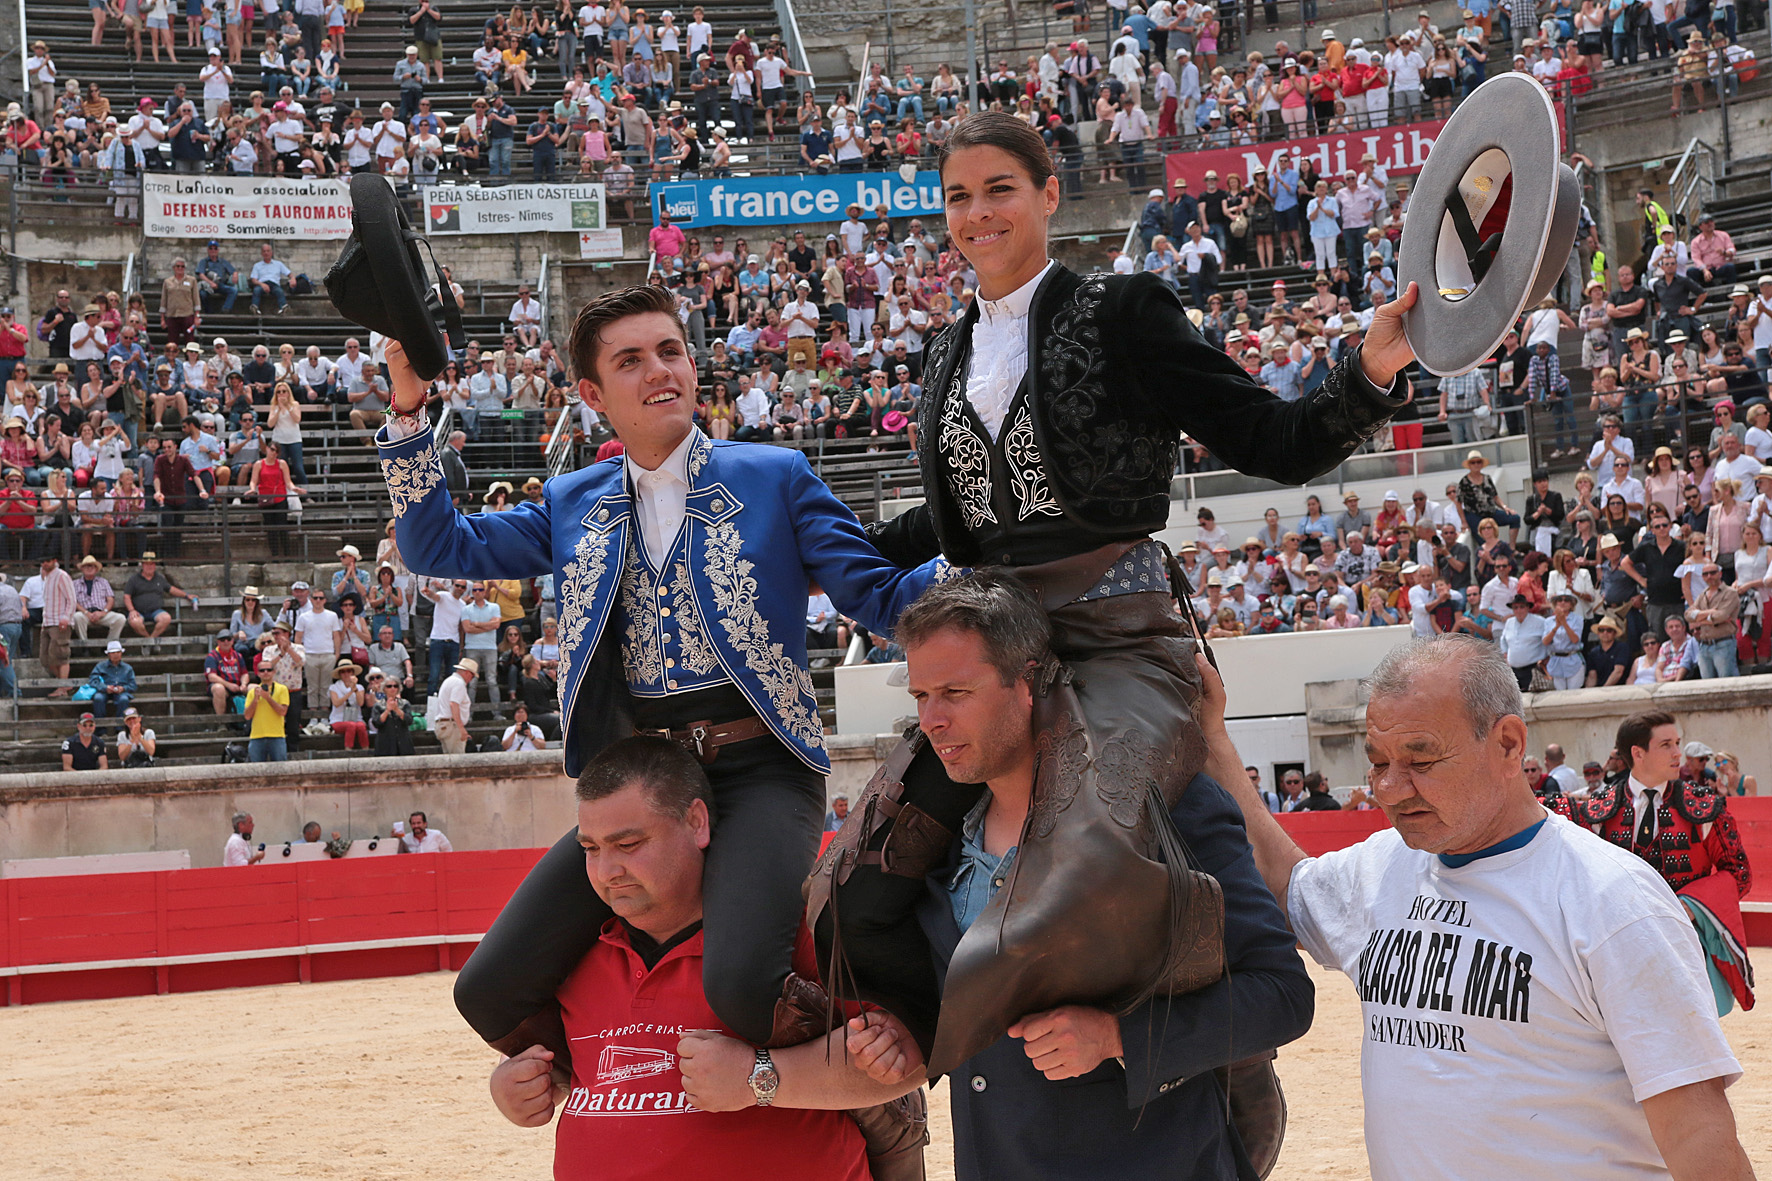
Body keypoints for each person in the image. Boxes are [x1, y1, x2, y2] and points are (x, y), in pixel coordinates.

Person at [821, 115, 1419, 1064]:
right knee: (856, 888)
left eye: (999, 189)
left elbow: (1269, 439)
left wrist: (1367, 372)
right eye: (958, 197)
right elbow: (953, 522)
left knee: (1094, 860)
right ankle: (950, 1049)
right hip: (992, 648)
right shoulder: (945, 352)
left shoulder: (1125, 312)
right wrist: (805, 535)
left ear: (1050, 194)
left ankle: (1187, 1051)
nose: (977, 214)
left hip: (1117, 629)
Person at [378, 283, 948, 1059]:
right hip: (642, 780)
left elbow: (877, 595)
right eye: (632, 360)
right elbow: (436, 546)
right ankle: (628, 1083)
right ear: (592, 393)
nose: (661, 371)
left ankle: (860, 1099)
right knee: (486, 989)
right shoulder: (572, 499)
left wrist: (991, 551)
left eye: (670, 350)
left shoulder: (775, 475)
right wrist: (408, 408)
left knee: (745, 985)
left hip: (764, 768)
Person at [1205, 636, 1753, 1179]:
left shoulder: (1614, 900)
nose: (1391, 789)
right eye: (1377, 762)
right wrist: (1212, 739)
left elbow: (1697, 1135)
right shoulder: (1381, 867)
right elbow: (1282, 883)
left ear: (1509, 745)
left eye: (1420, 759)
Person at [839, 572, 1311, 1178]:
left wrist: (1117, 1037)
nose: (932, 720)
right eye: (920, 697)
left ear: (1029, 682)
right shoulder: (933, 846)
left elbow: (1282, 995)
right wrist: (915, 1039)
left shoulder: (1169, 809)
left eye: (956, 692)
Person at [486, 738, 921, 1180]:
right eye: (591, 849)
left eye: (629, 843)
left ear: (696, 822)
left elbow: (907, 1064)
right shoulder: (571, 954)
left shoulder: (790, 939)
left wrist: (760, 1077)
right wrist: (519, 1084)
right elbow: (584, 1070)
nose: (606, 872)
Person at [1580, 710, 1754, 1012]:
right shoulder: (1598, 811)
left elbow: (1739, 873)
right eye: (1666, 745)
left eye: (1677, 742)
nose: (1678, 753)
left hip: (1684, 944)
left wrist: (1691, 907)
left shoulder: (1703, 808)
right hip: (1619, 946)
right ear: (1638, 753)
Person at [244, 656, 291, 762]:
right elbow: (247, 715)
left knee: (281, 771)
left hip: (277, 736)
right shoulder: (252, 692)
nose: (265, 672)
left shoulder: (282, 689)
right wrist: (255, 699)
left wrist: (268, 698)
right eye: (262, 670)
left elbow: (283, 711)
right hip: (257, 737)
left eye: (269, 670)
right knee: (256, 772)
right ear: (258, 673)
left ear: (274, 672)